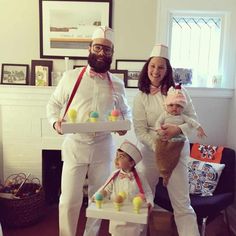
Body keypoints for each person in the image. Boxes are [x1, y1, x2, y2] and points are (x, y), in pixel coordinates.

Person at [47, 26, 131, 236]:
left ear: (112, 53)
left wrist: (123, 125)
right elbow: (53, 105)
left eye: (107, 50)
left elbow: (126, 112)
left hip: (104, 148)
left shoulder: (118, 84)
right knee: (68, 200)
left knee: (98, 199)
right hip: (75, 146)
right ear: (89, 48)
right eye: (98, 48)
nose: (102, 53)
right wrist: (55, 122)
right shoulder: (70, 77)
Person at [132, 44, 200, 236]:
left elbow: (194, 122)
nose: (156, 71)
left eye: (161, 67)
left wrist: (178, 129)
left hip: (177, 154)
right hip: (149, 155)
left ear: (167, 70)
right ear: (147, 68)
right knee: (144, 200)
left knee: (182, 204)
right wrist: (159, 147)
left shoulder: (180, 92)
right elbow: (140, 130)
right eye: (153, 66)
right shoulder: (140, 97)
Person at [92, 140, 153, 236]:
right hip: (117, 213)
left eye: (121, 157)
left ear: (131, 163)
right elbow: (105, 188)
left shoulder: (140, 176)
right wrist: (96, 196)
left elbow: (147, 192)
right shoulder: (114, 175)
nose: (117, 159)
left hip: (133, 214)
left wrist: (149, 202)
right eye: (117, 156)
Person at [155, 84, 207, 186]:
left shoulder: (183, 117)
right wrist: (158, 130)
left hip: (177, 140)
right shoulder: (164, 115)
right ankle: (163, 172)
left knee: (176, 153)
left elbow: (193, 122)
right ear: (166, 106)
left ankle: (167, 173)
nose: (174, 108)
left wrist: (200, 129)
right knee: (159, 149)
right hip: (164, 138)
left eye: (178, 106)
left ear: (182, 108)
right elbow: (158, 123)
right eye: (171, 105)